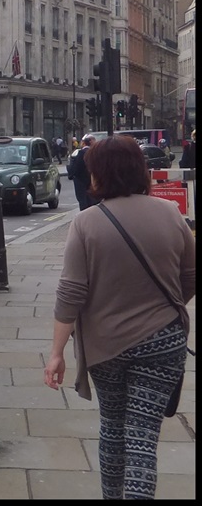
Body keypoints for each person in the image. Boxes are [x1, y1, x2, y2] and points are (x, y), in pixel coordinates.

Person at [43, 133, 195, 500]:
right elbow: (190, 276)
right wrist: (170, 305)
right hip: (163, 343)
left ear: (99, 175)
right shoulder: (170, 214)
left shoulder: (86, 224)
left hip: (106, 347)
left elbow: (71, 293)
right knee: (143, 438)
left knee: (112, 428)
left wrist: (57, 352)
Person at [66, 132, 97, 210]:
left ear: (84, 143)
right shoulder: (95, 152)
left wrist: (71, 174)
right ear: (91, 142)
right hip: (93, 182)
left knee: (83, 201)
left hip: (82, 182)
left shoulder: (81, 153)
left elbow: (76, 167)